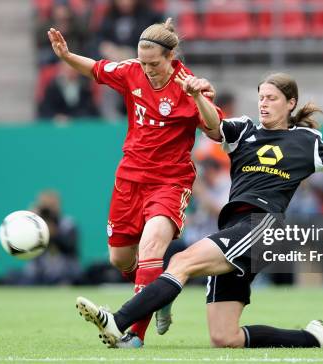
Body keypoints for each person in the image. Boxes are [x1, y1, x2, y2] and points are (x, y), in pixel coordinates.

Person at [75, 73, 323, 349]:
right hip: (235, 229)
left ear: (290, 103)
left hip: (263, 227)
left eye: (272, 97)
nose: (264, 103)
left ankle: (119, 321)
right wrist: (200, 96)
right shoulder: (244, 131)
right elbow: (212, 126)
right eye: (261, 97)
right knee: (225, 337)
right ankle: (314, 338)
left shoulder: (307, 142)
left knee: (182, 262)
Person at [47, 18, 220, 347]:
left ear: (171, 57)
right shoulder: (131, 71)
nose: (148, 69)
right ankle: (160, 294)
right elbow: (97, 69)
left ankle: (133, 336)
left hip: (170, 182)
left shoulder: (189, 85)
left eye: (154, 63)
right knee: (120, 260)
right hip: (130, 179)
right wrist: (67, 56)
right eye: (144, 62)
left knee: (152, 247)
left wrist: (198, 98)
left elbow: (214, 129)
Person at [5, 190, 80, 285]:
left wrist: (53, 233)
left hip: (65, 273)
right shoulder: (34, 226)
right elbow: (24, 248)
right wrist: (29, 222)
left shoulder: (68, 224)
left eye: (52, 206)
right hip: (38, 274)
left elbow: (69, 246)